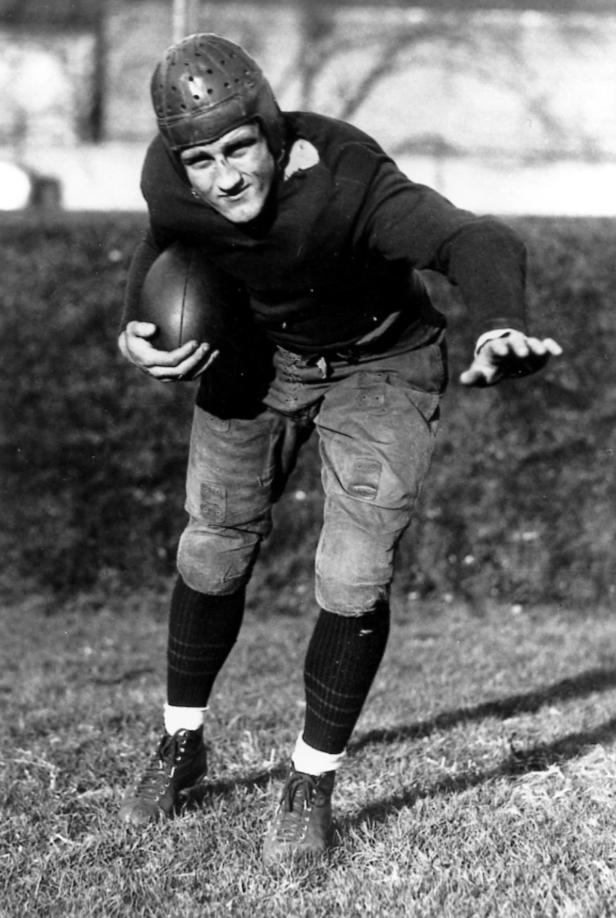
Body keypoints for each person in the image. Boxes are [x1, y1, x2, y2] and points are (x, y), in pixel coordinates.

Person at [117, 32, 562, 864]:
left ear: (272, 132)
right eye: (203, 160)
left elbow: (475, 238)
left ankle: (310, 782)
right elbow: (168, 239)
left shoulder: (348, 179)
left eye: (240, 148)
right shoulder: (172, 180)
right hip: (256, 351)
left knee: (353, 576)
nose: (227, 177)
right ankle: (182, 743)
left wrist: (502, 319)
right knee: (211, 550)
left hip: (377, 362)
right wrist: (135, 329)